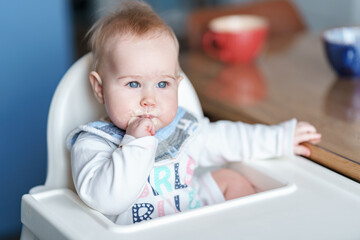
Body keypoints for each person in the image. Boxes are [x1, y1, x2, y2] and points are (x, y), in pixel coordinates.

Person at [66, 0, 321, 225]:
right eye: (133, 84)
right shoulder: (93, 143)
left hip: (191, 215)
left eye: (162, 84)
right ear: (100, 89)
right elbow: (108, 200)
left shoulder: (183, 129)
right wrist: (137, 143)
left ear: (178, 84)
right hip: (136, 231)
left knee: (232, 180)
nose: (149, 99)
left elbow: (230, 138)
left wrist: (280, 139)